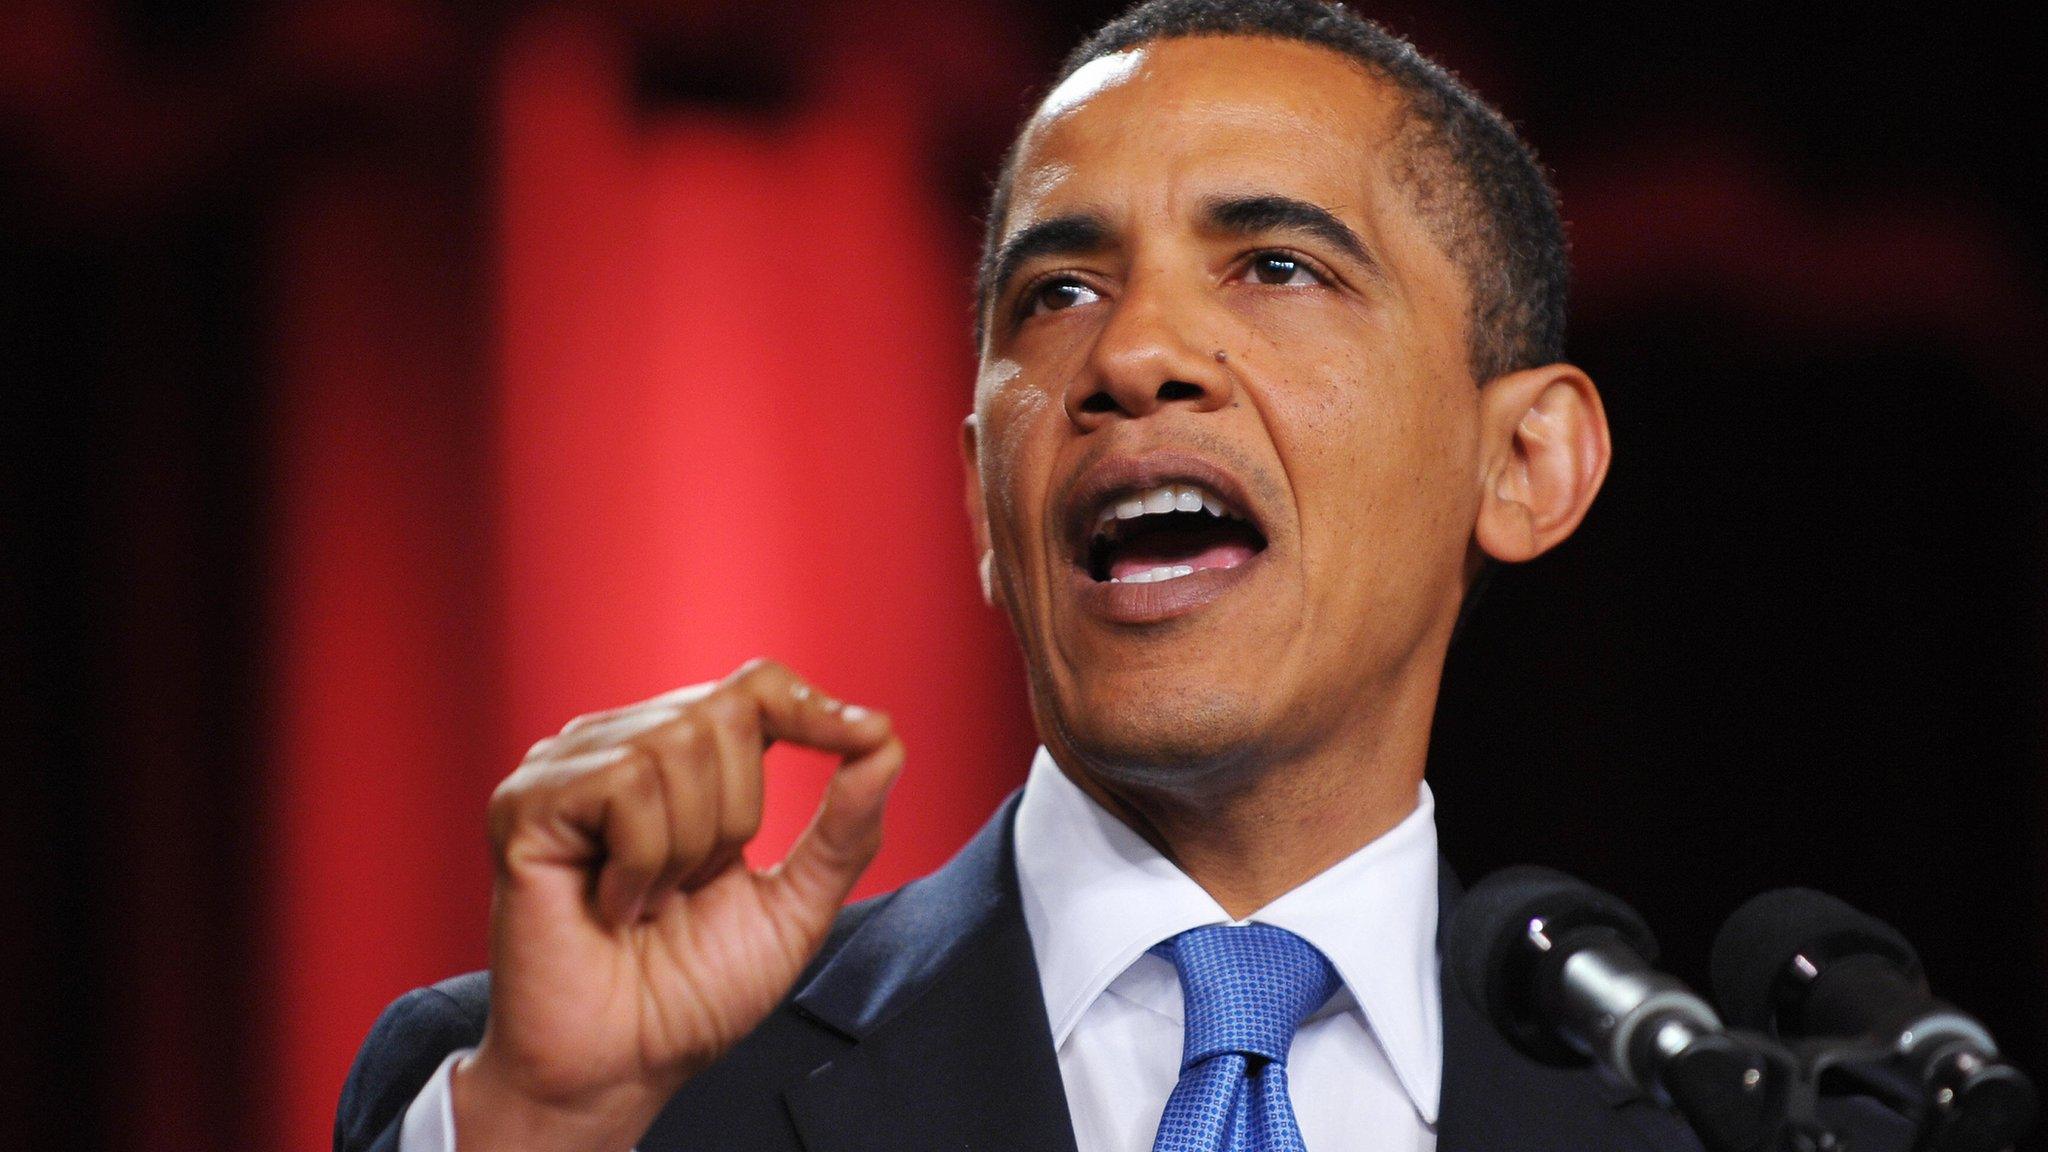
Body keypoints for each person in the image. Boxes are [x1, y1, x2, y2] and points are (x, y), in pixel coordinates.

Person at [336, 3, 1907, 1150]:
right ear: (980, 498)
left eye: (1277, 267)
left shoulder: (1719, 1121)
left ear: (1526, 466)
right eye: (1058, 290)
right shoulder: (571, 1089)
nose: (1132, 356)